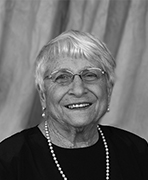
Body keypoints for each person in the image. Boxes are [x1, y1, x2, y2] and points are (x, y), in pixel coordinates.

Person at [0, 30, 148, 180]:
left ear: (108, 90)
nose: (78, 90)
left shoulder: (137, 151)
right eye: (62, 77)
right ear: (43, 94)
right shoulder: (9, 160)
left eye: (90, 75)